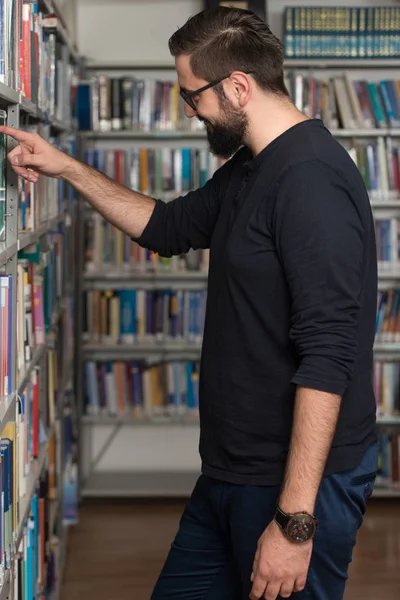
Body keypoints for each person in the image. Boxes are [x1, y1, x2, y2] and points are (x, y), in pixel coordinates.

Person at [1, 6, 378, 600]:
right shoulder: (252, 167)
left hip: (293, 487)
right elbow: (169, 227)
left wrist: (294, 523)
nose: (188, 109)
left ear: (237, 87)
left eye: (191, 95)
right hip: (230, 472)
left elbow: (329, 356)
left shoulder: (311, 180)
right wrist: (66, 168)